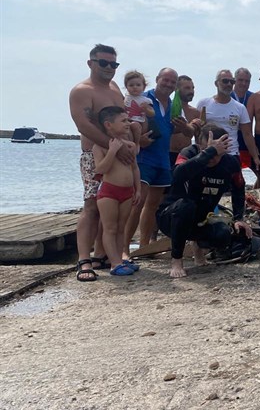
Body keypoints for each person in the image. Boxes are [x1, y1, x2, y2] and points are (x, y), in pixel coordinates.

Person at [69, 44, 136, 282]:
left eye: (114, 64)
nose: (109, 68)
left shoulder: (115, 88)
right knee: (91, 205)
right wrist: (112, 148)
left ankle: (103, 254)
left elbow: (123, 120)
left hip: (122, 155)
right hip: (94, 154)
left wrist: (130, 145)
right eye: (104, 63)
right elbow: (83, 125)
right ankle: (84, 259)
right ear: (91, 63)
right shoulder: (82, 91)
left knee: (114, 211)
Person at [157, 126, 252, 278]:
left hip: (200, 221)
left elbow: (239, 189)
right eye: (208, 150)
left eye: (217, 153)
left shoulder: (230, 163)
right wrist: (208, 153)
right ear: (201, 146)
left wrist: (239, 218)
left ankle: (198, 246)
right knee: (186, 206)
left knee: (223, 235)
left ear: (225, 148)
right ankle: (176, 260)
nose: (212, 158)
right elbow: (177, 175)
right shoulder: (189, 153)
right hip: (170, 217)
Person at [124, 68, 193, 255]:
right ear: (157, 79)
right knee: (137, 202)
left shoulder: (173, 104)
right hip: (144, 158)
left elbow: (178, 130)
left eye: (172, 82)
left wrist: (186, 127)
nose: (168, 84)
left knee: (153, 204)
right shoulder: (142, 98)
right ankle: (123, 249)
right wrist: (138, 140)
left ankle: (144, 246)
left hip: (163, 159)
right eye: (165, 80)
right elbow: (125, 123)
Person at [93, 106, 141, 276]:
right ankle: (114, 263)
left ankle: (120, 259)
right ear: (108, 124)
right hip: (109, 192)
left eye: (128, 120)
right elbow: (101, 169)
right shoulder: (100, 146)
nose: (128, 123)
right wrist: (112, 151)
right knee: (110, 228)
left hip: (127, 191)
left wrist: (138, 189)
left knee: (122, 227)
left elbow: (134, 168)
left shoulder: (130, 145)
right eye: (123, 121)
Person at [196, 69, 260, 173]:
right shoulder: (204, 103)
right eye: (224, 81)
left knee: (235, 187)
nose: (228, 84)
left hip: (231, 154)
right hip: (209, 154)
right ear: (216, 83)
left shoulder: (240, 108)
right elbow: (198, 130)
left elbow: (247, 134)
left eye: (231, 82)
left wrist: (255, 157)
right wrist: (199, 151)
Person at [169, 75, 201, 167]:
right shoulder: (168, 108)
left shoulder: (195, 112)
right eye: (187, 88)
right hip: (168, 153)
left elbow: (199, 139)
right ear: (176, 89)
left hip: (186, 155)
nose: (191, 91)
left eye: (192, 88)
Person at [231, 68, 258, 177]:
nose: (243, 83)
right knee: (234, 174)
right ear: (234, 80)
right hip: (231, 141)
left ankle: (256, 193)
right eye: (240, 80)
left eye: (247, 81)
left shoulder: (253, 97)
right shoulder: (227, 96)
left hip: (247, 140)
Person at [123, 70, 157, 142]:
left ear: (144, 87)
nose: (135, 87)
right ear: (126, 87)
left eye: (138, 85)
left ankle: (137, 143)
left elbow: (152, 113)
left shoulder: (146, 100)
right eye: (131, 85)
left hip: (140, 122)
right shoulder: (125, 99)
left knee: (136, 125)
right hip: (128, 121)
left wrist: (146, 109)